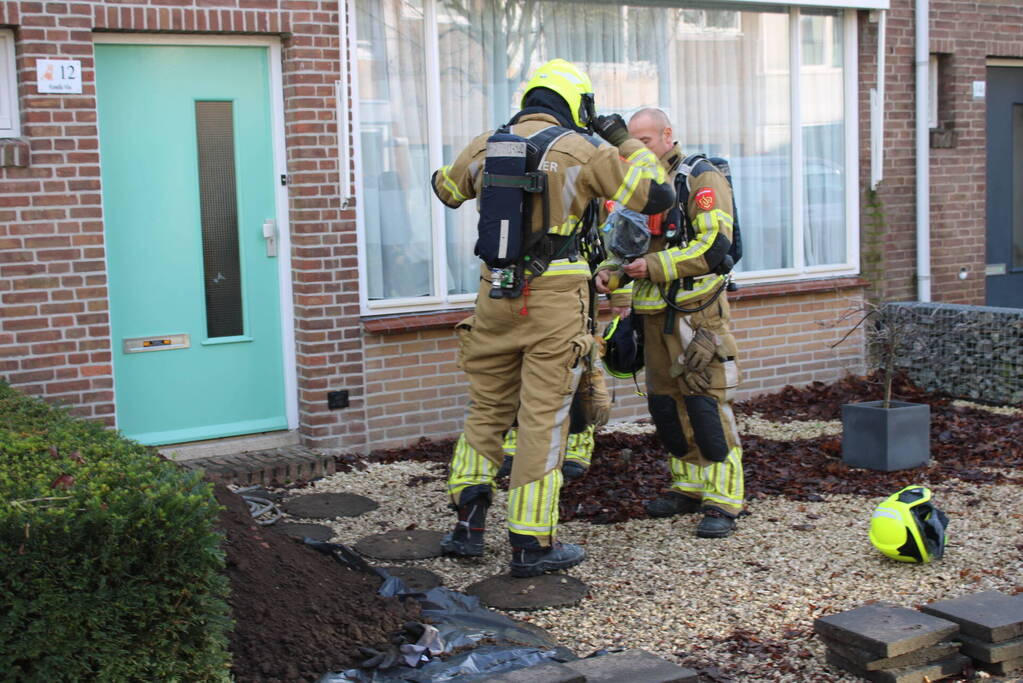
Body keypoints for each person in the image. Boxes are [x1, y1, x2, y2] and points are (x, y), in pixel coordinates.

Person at [431, 60, 675, 577]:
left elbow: (446, 191)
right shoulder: (583, 150)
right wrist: (621, 140)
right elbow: (657, 193)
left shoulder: (487, 143)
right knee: (544, 418)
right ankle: (530, 542)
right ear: (577, 104)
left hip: (494, 297)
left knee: (488, 409)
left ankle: (467, 528)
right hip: (555, 301)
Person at [595, 107, 745, 539]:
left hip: (697, 314)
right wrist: (612, 272)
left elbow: (715, 244)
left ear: (666, 135)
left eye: (642, 142)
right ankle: (689, 487)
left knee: (705, 401)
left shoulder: (698, 178)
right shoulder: (635, 184)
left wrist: (654, 265)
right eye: (630, 144)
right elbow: (624, 246)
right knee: (666, 404)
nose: (634, 151)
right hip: (652, 314)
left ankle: (724, 499)